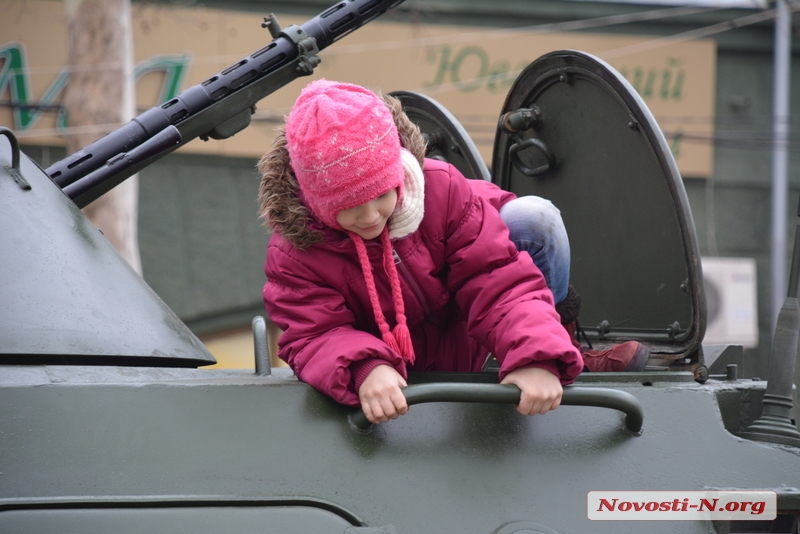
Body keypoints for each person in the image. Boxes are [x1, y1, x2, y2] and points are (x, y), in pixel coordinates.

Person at [258, 79, 647, 424]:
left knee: (533, 220)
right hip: (389, 380)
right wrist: (364, 369)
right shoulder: (297, 252)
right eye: (348, 205)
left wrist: (537, 356)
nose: (370, 215)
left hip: (471, 342)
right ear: (316, 201)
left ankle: (559, 349)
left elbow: (497, 281)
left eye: (380, 194)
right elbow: (314, 333)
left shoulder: (441, 191)